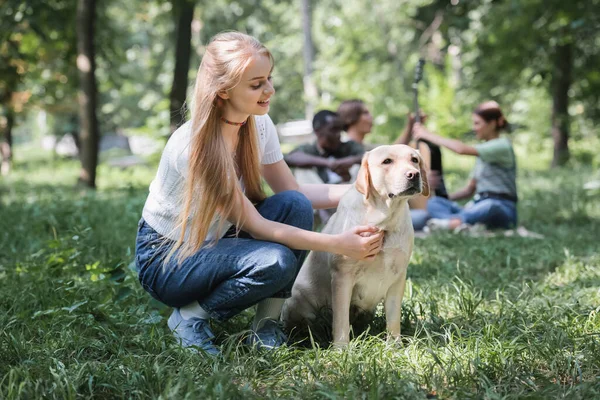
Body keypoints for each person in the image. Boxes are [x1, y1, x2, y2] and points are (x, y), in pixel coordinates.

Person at [135, 32, 384, 356]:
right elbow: (259, 227)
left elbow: (293, 192)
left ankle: (266, 325)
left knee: (294, 205)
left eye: (268, 79)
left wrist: (364, 190)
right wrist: (340, 244)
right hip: (166, 258)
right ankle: (189, 319)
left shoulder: (258, 123)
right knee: (275, 261)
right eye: (256, 84)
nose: (270, 90)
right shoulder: (196, 147)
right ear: (223, 90)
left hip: (216, 240)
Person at [413, 101, 518, 231]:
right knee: (435, 203)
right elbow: (469, 190)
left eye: (477, 123)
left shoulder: (502, 145)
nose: (474, 128)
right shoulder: (482, 155)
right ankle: (463, 223)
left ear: (492, 124)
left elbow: (461, 149)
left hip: (503, 208)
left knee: (490, 206)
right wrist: (445, 200)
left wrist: (427, 134)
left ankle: (451, 223)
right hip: (475, 207)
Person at [284, 110, 365, 185]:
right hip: (319, 195)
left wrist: (347, 162)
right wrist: (328, 163)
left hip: (349, 193)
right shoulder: (309, 149)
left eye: (340, 130)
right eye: (333, 129)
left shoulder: (349, 146)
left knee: (360, 166)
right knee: (302, 170)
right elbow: (291, 158)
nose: (338, 134)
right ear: (317, 131)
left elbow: (367, 157)